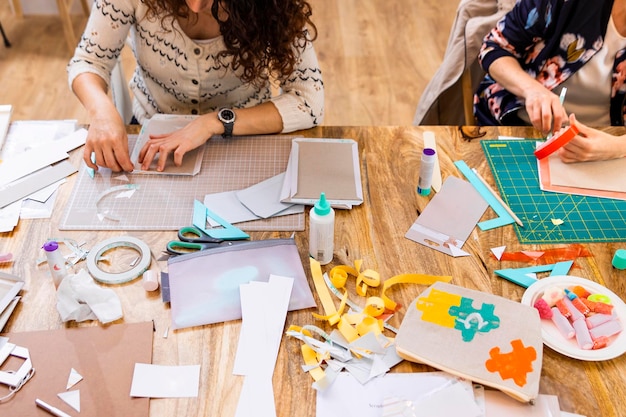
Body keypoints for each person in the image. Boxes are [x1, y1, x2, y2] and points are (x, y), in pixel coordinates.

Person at [68, 0, 324, 172]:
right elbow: (88, 61)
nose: (194, 5)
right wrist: (101, 113)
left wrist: (214, 122)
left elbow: (308, 100)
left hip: (246, 136)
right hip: (152, 130)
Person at [474, 0, 626, 162]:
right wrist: (532, 90)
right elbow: (494, 47)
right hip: (517, 126)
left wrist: (618, 146)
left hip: (605, 144)